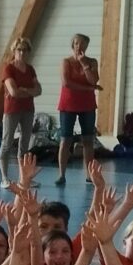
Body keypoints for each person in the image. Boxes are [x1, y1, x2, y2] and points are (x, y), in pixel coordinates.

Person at [54, 33, 99, 185]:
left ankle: (89, 174)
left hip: (87, 105)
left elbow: (94, 80)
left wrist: (84, 64)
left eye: (83, 44)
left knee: (88, 139)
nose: (79, 46)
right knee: (66, 139)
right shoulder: (65, 62)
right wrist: (88, 88)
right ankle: (61, 174)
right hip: (68, 104)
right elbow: (66, 83)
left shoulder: (92, 62)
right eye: (77, 43)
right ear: (72, 45)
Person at [0, 36, 40, 173]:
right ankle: (4, 177)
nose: (22, 53)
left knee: (25, 144)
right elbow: (13, 92)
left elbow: (38, 90)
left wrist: (25, 90)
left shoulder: (30, 69)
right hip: (12, 110)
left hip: (28, 109)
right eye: (19, 50)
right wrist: (29, 92)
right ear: (14, 51)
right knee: (7, 142)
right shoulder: (8, 68)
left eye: (25, 50)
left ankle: (24, 177)